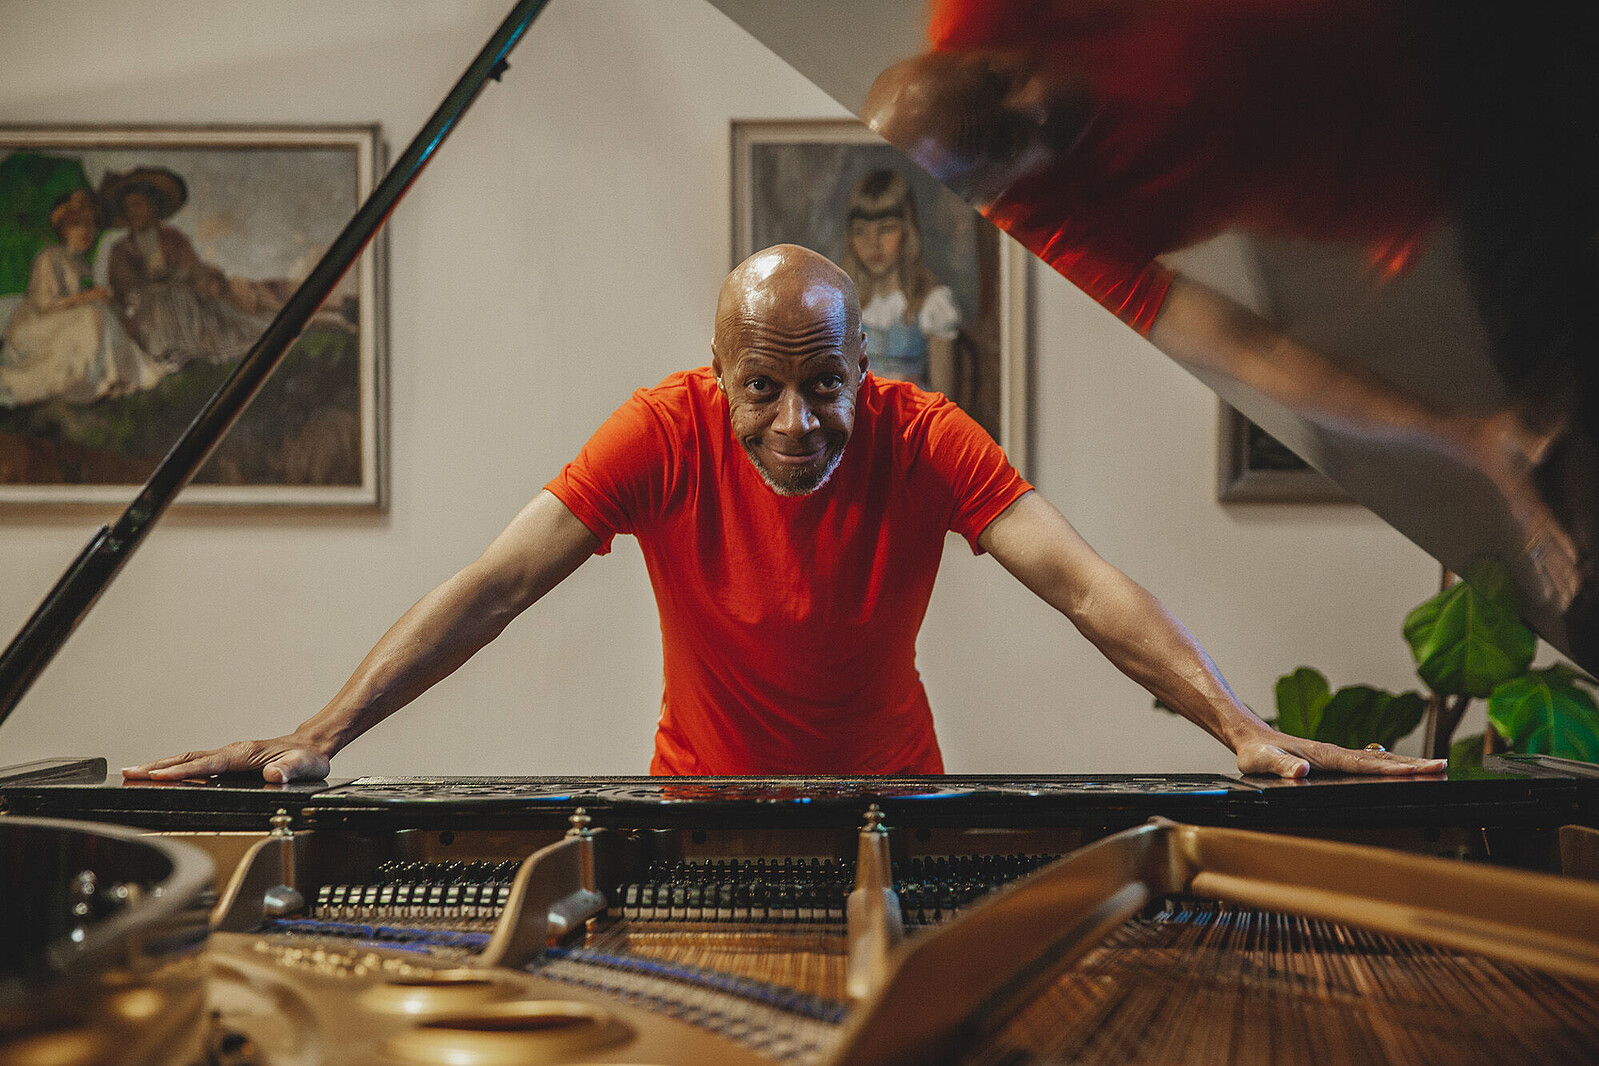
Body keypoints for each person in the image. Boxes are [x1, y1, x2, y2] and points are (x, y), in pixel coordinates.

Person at [124, 245, 1445, 783]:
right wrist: (320, 731)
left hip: (894, 808)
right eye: (762, 389)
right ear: (718, 381)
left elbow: (1088, 585)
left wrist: (1235, 727)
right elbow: (494, 582)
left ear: (865, 371)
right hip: (689, 815)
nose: (797, 423)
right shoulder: (656, 433)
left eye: (826, 386)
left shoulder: (929, 440)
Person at [863, 0, 1585, 609]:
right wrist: (1473, 439)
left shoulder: (981, 13)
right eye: (1013, 138)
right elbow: (1255, 353)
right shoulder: (1052, 230)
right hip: (1435, 160)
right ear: (987, 192)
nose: (1038, 100)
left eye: (999, 76)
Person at [0, 190, 168, 407]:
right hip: (34, 327)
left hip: (65, 322)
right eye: (77, 224)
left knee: (100, 312)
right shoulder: (49, 257)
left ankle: (111, 376)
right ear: (63, 228)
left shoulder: (81, 265)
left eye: (91, 224)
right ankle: (80, 383)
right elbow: (44, 304)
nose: (87, 230)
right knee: (91, 315)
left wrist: (101, 299)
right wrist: (84, 297)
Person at [97, 166, 276, 365]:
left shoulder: (173, 238)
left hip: (184, 298)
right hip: (145, 309)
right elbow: (122, 285)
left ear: (152, 206)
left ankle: (196, 350)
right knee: (160, 307)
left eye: (138, 205)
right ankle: (171, 353)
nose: (133, 212)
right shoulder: (121, 249)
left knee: (199, 303)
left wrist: (204, 275)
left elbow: (190, 268)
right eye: (128, 208)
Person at [840, 169, 962, 396]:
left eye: (886, 229)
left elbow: (943, 397)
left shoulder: (931, 303)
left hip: (911, 423)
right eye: (861, 231)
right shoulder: (845, 301)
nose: (872, 243)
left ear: (907, 232)